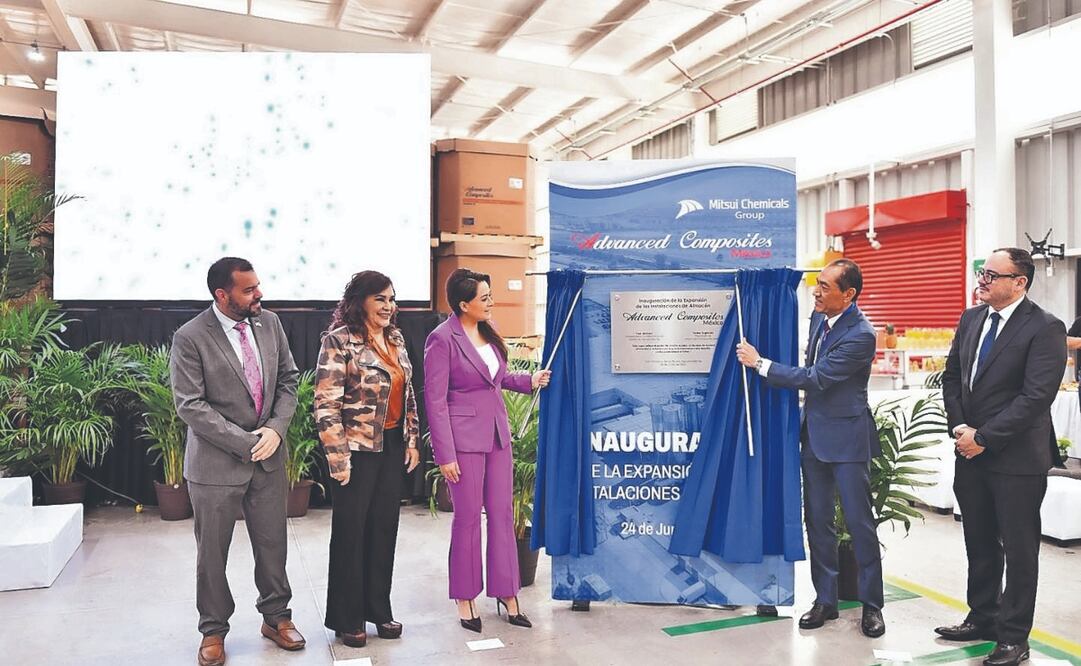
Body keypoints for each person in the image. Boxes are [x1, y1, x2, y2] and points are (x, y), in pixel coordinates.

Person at [736, 258, 885, 638]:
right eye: (816, 284)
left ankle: (872, 606)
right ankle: (826, 600)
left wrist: (760, 365)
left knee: (859, 524)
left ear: (848, 295)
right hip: (814, 439)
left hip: (848, 441)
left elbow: (817, 378)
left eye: (824, 286)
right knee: (818, 523)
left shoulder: (862, 334)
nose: (815, 292)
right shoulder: (820, 319)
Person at [170, 257, 304, 666]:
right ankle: (213, 630)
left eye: (258, 286)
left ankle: (276, 617)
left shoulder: (271, 324)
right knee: (212, 554)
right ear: (222, 295)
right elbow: (190, 405)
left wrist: (276, 430)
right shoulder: (190, 337)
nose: (258, 294)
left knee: (272, 545)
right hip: (216, 466)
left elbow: (288, 380)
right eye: (249, 290)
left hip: (268, 458)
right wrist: (247, 442)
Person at [937, 248, 1066, 666]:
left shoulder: (1045, 327)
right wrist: (961, 429)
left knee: (1020, 548)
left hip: (1016, 458)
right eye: (982, 272)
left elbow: (1035, 397)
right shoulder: (971, 318)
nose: (983, 279)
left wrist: (986, 438)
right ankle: (982, 617)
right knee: (979, 540)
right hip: (970, 452)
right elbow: (953, 375)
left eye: (992, 274)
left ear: (1020, 282)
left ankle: (1014, 638)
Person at [424, 268, 551, 632]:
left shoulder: (488, 333)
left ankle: (507, 594)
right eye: (484, 297)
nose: (491, 302)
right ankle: (465, 598)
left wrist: (529, 380)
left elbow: (495, 379)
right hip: (462, 443)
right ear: (464, 304)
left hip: (498, 438)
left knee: (501, 516)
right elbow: (435, 401)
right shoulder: (441, 339)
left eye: (490, 295)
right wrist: (445, 454)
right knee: (466, 520)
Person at [314, 271, 421, 648]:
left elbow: (407, 393)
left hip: (391, 446)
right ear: (360, 301)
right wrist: (337, 458)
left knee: (383, 529)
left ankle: (378, 609)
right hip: (355, 451)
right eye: (380, 299)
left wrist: (411, 440)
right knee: (350, 533)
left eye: (392, 298)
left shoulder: (395, 338)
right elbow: (326, 404)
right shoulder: (339, 341)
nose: (389, 306)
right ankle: (348, 618)